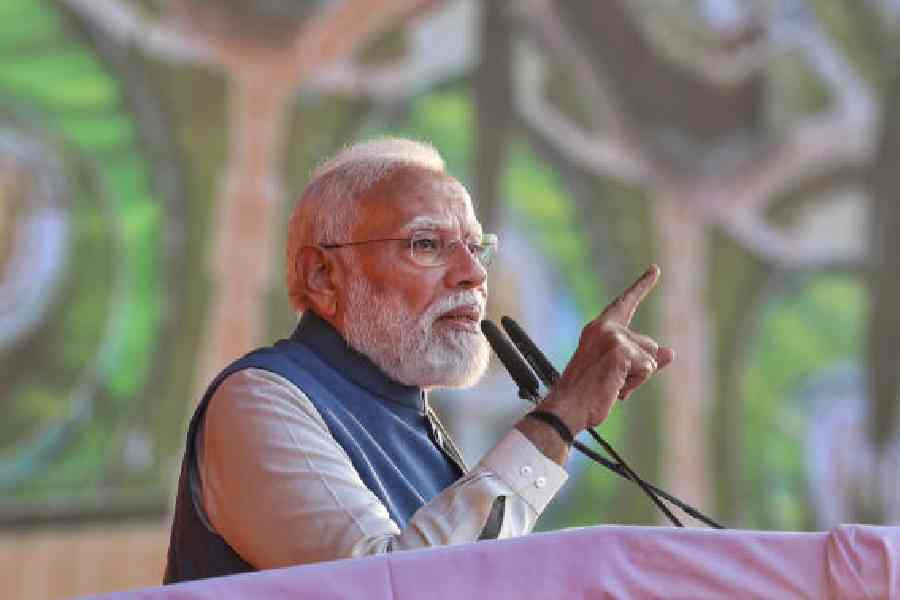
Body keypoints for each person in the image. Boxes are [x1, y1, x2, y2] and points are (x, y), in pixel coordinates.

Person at [163, 138, 673, 583]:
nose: (474, 274)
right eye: (426, 244)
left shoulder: (413, 420)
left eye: (476, 248)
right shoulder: (258, 399)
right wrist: (561, 416)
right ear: (322, 276)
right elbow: (391, 587)